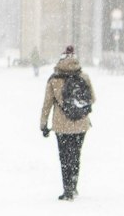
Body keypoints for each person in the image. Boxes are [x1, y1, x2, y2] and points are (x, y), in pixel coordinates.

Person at [39, 45, 95, 200]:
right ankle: (74, 185)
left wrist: (43, 124)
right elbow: (93, 99)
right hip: (81, 124)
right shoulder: (84, 77)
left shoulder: (54, 80)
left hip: (61, 125)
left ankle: (67, 189)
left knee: (64, 157)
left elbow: (47, 104)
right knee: (76, 155)